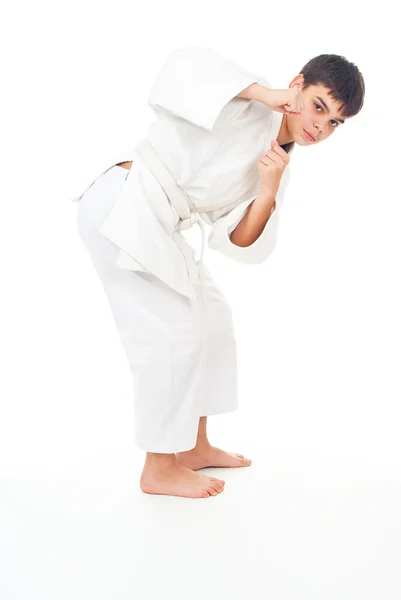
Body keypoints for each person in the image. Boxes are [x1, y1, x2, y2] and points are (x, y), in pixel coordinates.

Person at [74, 46, 365, 499]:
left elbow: (240, 241)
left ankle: (193, 445)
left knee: (212, 320)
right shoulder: (251, 101)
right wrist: (261, 94)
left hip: (160, 224)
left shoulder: (279, 162)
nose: (320, 127)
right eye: (318, 106)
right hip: (123, 204)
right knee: (173, 333)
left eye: (333, 123)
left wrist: (267, 192)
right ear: (297, 84)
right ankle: (158, 467)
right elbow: (181, 69)